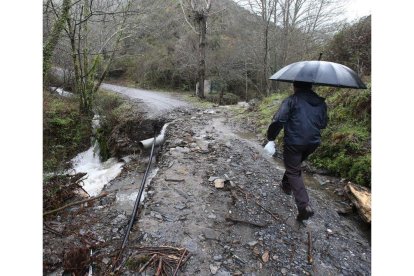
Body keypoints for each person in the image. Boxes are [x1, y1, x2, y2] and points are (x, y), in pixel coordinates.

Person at [266, 81, 328, 221]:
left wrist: (271, 137)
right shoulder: (321, 103)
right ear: (310, 87)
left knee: (294, 169)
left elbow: (279, 120)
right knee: (294, 164)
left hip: (294, 141)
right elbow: (323, 124)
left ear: (295, 86)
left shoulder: (291, 100)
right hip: (313, 142)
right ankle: (286, 186)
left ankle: (304, 205)